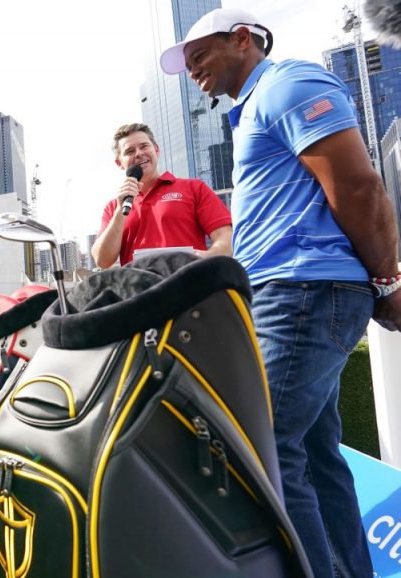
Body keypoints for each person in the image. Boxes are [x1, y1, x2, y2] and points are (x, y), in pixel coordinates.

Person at [162, 8, 401, 577]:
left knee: (259, 451)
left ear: (242, 39)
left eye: (200, 56)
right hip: (288, 294)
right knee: (317, 461)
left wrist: (389, 281)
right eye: (187, 63)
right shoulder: (250, 114)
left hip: (305, 294)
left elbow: (358, 185)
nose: (193, 70)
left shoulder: (289, 83)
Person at [90, 123, 233, 268]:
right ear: (119, 163)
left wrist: (207, 256)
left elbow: (227, 236)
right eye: (130, 151)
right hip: (140, 288)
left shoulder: (194, 188)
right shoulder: (113, 208)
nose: (139, 153)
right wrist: (120, 211)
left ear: (156, 150)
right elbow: (102, 260)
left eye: (144, 146)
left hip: (190, 282)